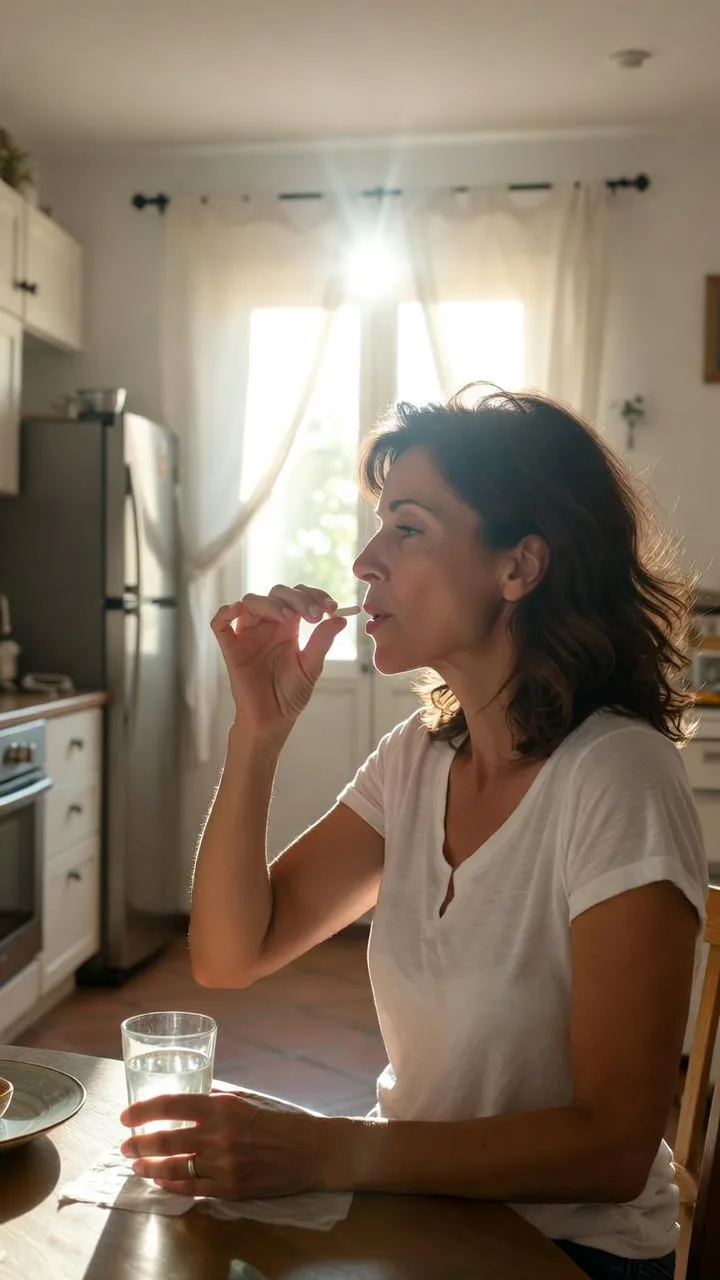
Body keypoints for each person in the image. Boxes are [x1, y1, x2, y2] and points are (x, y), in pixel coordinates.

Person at [121, 387, 707, 1280]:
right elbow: (229, 956)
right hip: (417, 1214)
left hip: (570, 1255)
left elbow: (614, 1149)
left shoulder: (617, 778)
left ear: (520, 567)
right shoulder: (417, 759)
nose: (364, 561)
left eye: (408, 529)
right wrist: (257, 737)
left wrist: (325, 1152)